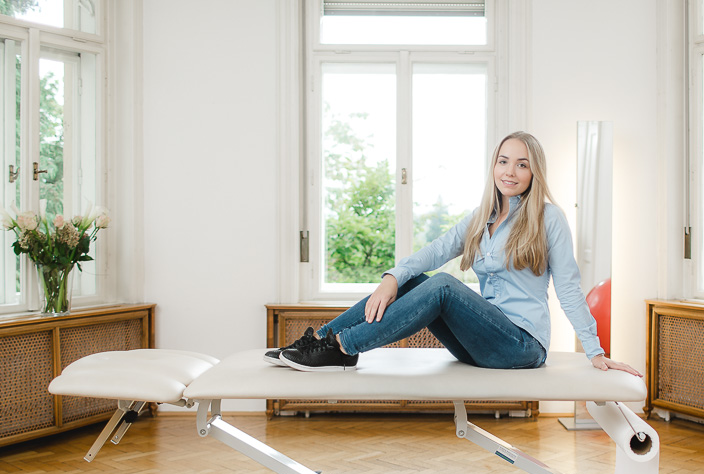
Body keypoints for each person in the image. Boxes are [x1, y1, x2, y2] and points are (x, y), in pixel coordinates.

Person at [266, 131, 641, 377]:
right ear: (494, 166)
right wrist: (391, 278)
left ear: (534, 172)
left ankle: (343, 347)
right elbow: (436, 250)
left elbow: (569, 289)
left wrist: (595, 351)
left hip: (522, 345)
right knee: (414, 279)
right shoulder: (482, 217)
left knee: (444, 285)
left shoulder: (549, 217)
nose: (510, 171)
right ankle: (320, 341)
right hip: (480, 342)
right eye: (503, 161)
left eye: (522, 164)